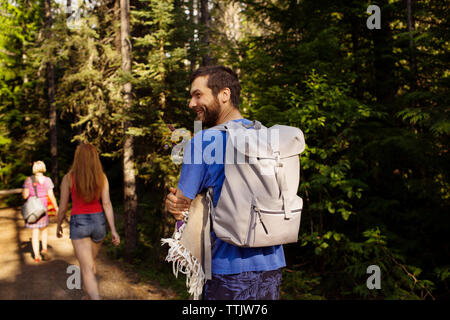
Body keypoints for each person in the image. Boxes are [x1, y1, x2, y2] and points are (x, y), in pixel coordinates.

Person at [165, 65, 286, 300]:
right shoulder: (268, 136)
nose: (191, 103)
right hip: (272, 264)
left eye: (198, 95)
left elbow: (181, 207)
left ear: (224, 94)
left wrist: (173, 205)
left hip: (227, 271)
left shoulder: (202, 141)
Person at [56, 143, 120, 300]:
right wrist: (113, 229)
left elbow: (63, 207)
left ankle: (95, 297)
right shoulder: (102, 178)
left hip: (79, 223)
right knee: (90, 263)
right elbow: (106, 203)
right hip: (98, 222)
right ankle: (87, 294)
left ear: (78, 158)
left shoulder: (68, 178)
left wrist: (58, 225)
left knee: (86, 268)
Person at [22, 161, 59, 262]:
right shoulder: (47, 180)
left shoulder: (28, 180)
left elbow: (25, 196)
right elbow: (51, 196)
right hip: (43, 207)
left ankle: (37, 256)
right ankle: (44, 249)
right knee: (44, 230)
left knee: (35, 232)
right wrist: (56, 207)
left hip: (33, 208)